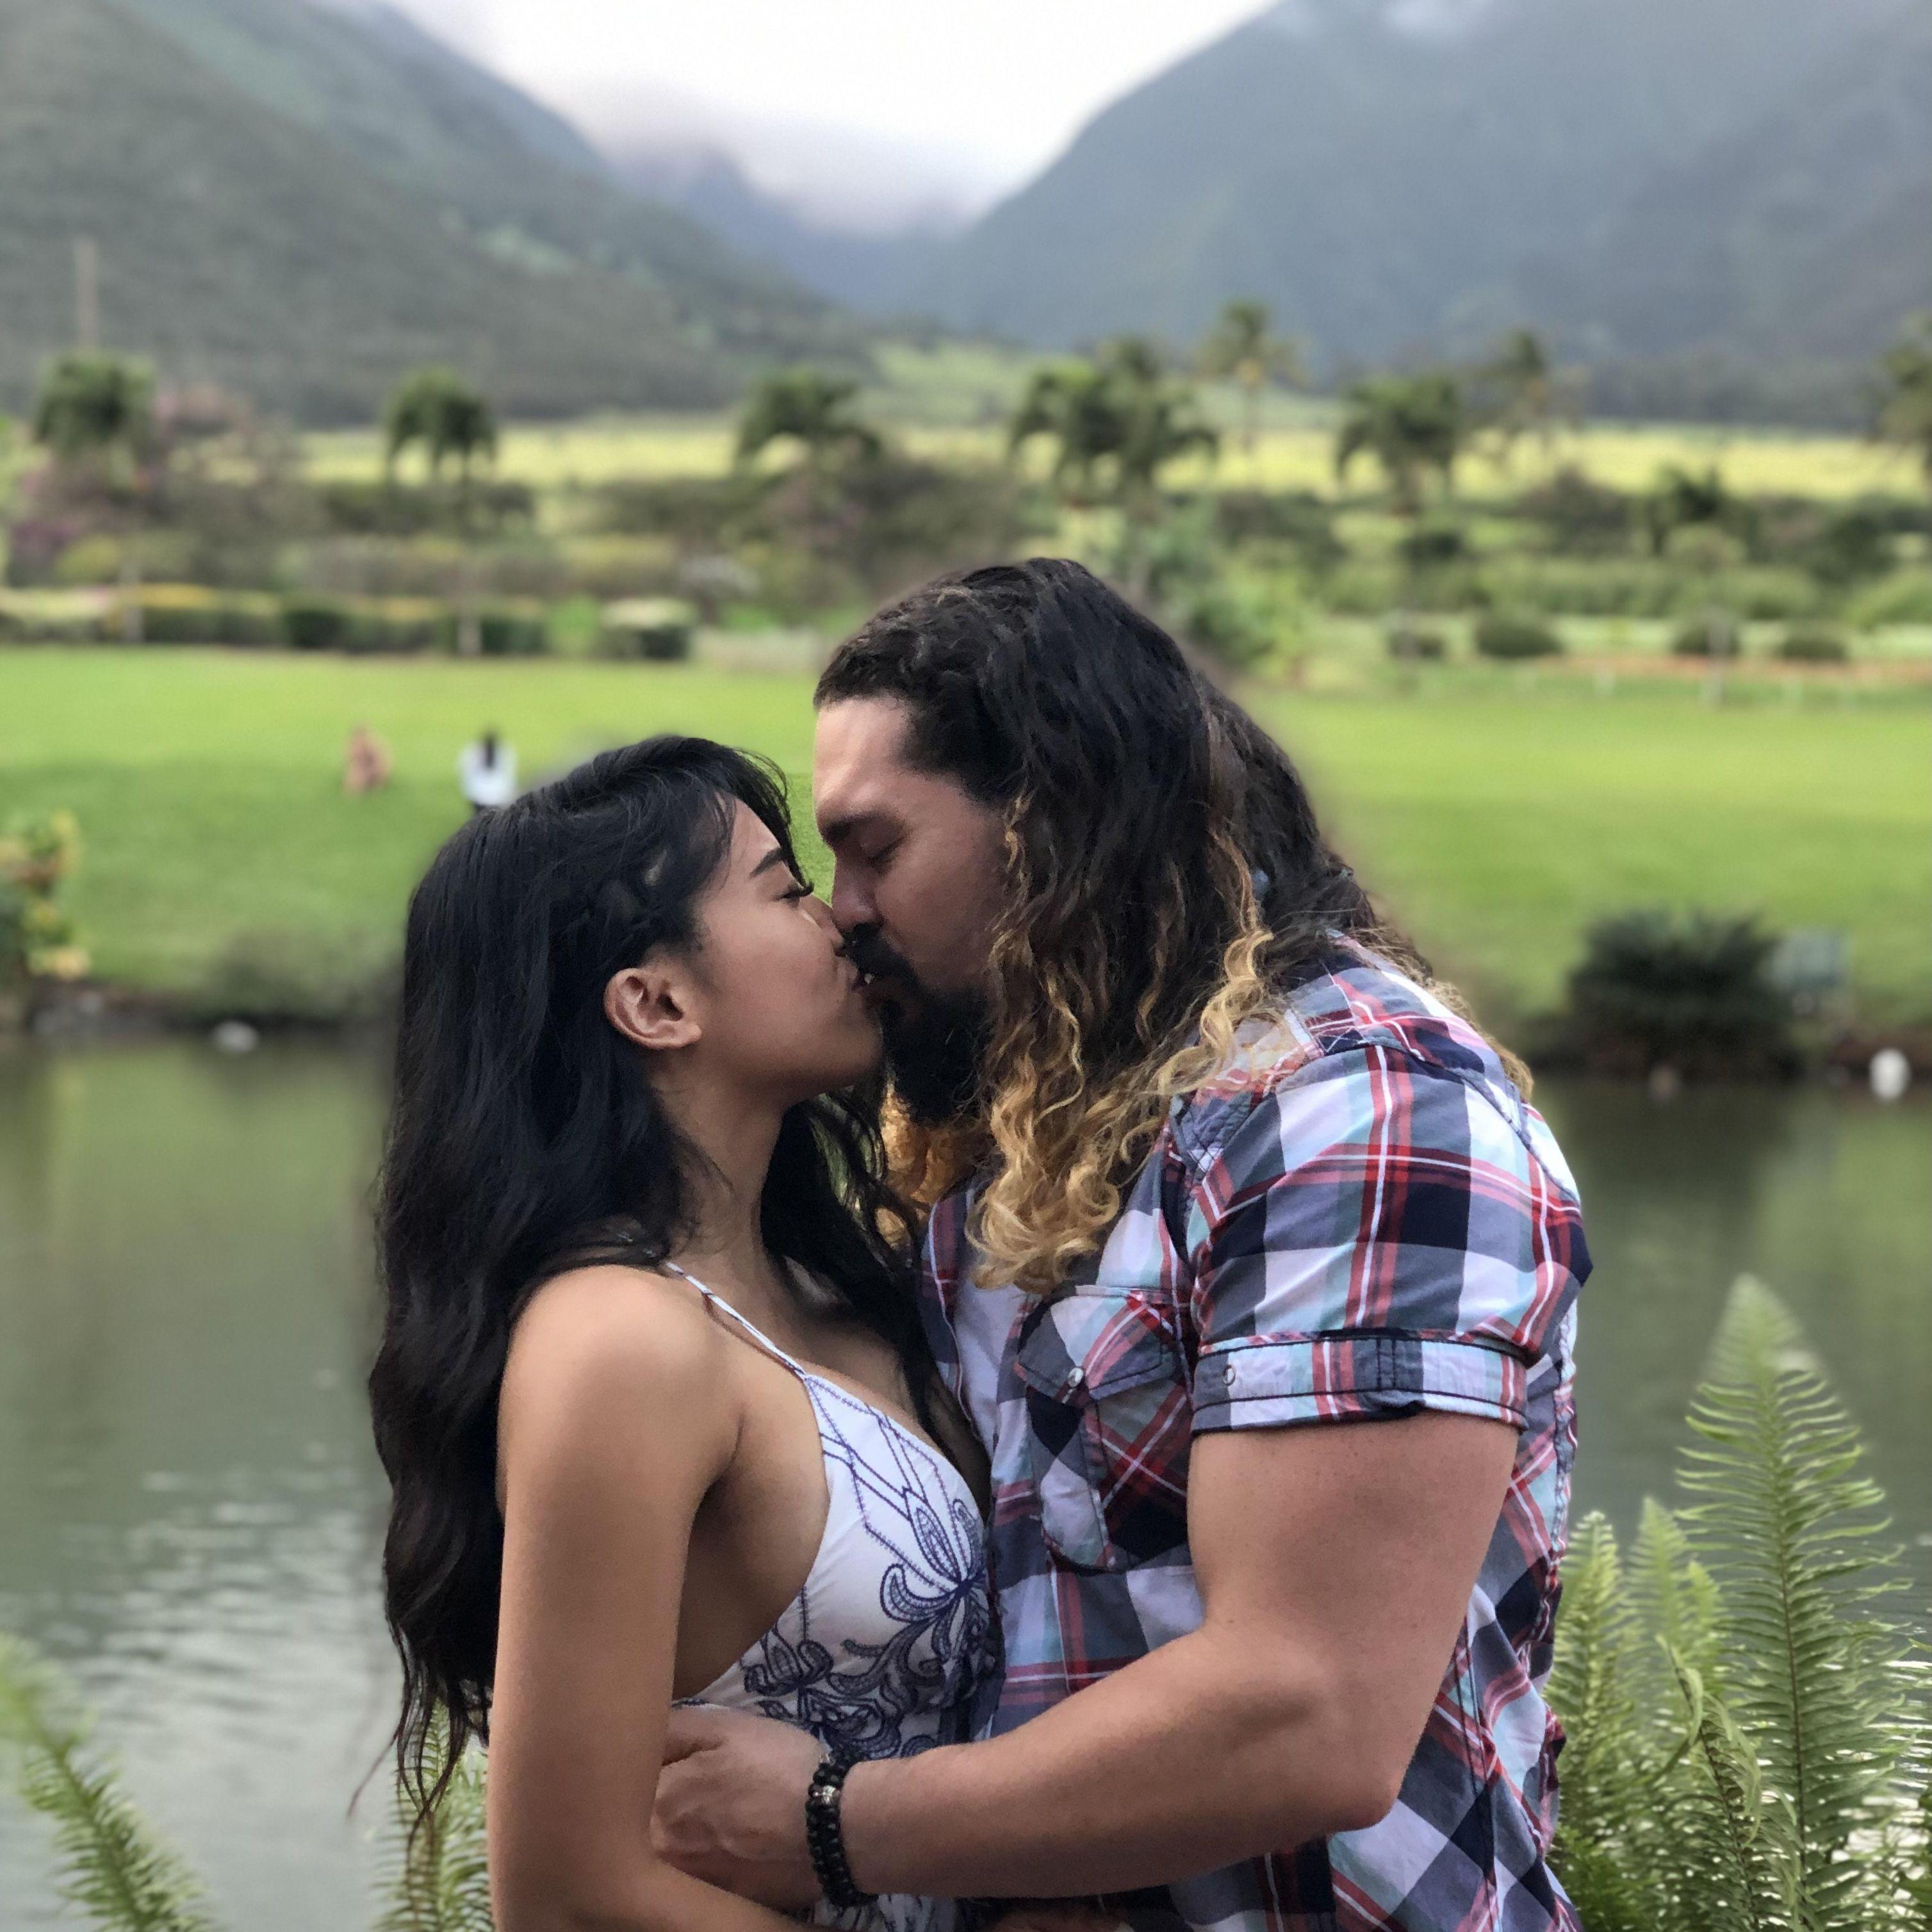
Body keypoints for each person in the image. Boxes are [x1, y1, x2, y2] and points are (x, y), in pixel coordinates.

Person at [650, 559, 1593, 1932]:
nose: (841, 908)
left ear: (1050, 828)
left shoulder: (1359, 1112)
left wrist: (836, 1823)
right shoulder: (1020, 1129)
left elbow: (1311, 1709)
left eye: (875, 848)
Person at [368, 739, 1020, 1932]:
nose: (841, 920)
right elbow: (567, 1898)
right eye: (785, 889)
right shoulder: (622, 1343)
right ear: (656, 1003)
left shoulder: (841, 1284)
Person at [458, 728, 518, 812]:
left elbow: (464, 769)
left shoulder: (473, 751)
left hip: (478, 795)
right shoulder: (505, 751)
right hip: (499, 795)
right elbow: (509, 774)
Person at [344, 722, 391, 795]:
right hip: (361, 769)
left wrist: (375, 773)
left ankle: (374, 786)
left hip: (372, 769)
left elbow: (380, 763)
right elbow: (351, 759)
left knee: (363, 780)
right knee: (353, 782)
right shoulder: (353, 745)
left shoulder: (372, 745)